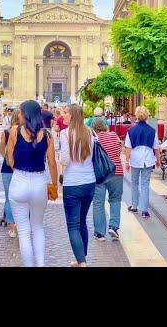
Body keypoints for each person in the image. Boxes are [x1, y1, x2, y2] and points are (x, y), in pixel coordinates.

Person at [6, 100, 58, 267]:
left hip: (19, 180)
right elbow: (52, 163)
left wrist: (18, 170)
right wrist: (54, 185)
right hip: (39, 183)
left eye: (20, 112)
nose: (19, 115)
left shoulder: (15, 131)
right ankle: (41, 265)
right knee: (37, 227)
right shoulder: (47, 135)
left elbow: (9, 158)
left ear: (25, 114)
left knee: (23, 231)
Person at [60, 104, 96, 267]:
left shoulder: (65, 134)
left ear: (73, 116)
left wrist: (58, 157)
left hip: (73, 183)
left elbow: (65, 160)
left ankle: (82, 262)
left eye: (66, 113)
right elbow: (92, 156)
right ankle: (81, 258)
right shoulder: (90, 132)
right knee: (82, 221)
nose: (63, 115)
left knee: (73, 225)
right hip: (89, 182)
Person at [91, 117, 124, 241]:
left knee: (98, 202)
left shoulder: (94, 139)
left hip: (100, 173)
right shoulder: (114, 135)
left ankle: (100, 233)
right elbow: (118, 152)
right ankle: (114, 227)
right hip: (117, 171)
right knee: (115, 200)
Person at [124, 106, 161, 218]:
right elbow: (156, 148)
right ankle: (144, 210)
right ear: (147, 115)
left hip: (135, 160)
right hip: (148, 160)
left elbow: (128, 148)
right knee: (145, 184)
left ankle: (134, 206)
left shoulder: (131, 131)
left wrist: (126, 161)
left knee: (134, 182)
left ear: (136, 115)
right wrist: (158, 160)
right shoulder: (152, 130)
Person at [0, 108, 20, 238]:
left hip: (6, 169)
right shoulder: (26, 133)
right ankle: (21, 223)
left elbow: (2, 151)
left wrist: (8, 159)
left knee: (8, 198)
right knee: (22, 198)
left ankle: (12, 227)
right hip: (21, 169)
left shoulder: (6, 133)